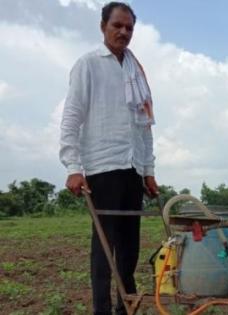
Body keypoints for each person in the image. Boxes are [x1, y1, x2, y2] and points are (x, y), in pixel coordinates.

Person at [59, 2, 158, 314]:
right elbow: (71, 119)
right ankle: (102, 309)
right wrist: (74, 167)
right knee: (104, 246)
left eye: (129, 28)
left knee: (130, 248)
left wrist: (148, 170)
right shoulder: (88, 65)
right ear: (103, 26)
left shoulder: (136, 72)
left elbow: (145, 126)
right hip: (103, 167)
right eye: (117, 25)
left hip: (132, 168)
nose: (123, 32)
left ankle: (124, 308)